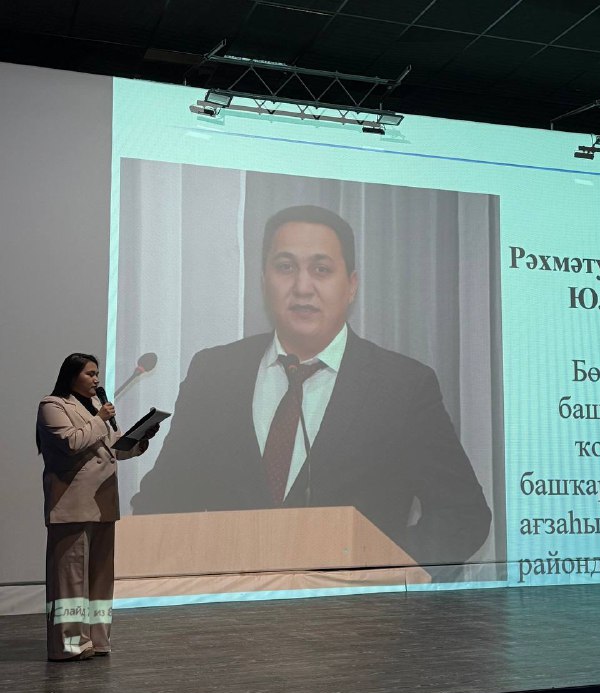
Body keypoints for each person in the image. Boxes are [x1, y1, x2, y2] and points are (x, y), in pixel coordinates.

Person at [132, 205, 491, 566]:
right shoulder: (215, 373)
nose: (303, 288)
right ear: (264, 280)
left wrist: (374, 570)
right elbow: (162, 503)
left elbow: (463, 516)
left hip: (355, 601)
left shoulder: (402, 386)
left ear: (351, 285)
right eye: (285, 267)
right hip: (230, 599)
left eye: (321, 270)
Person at [37, 353, 158, 661]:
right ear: (71, 375)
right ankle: (68, 644)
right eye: (90, 373)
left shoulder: (94, 407)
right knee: (70, 576)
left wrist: (140, 439)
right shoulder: (53, 405)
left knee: (100, 575)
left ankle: (97, 639)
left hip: (103, 503)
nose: (96, 379)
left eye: (97, 373)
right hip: (72, 503)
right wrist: (100, 418)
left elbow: (115, 450)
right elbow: (71, 442)